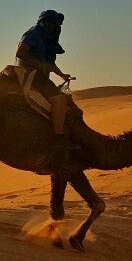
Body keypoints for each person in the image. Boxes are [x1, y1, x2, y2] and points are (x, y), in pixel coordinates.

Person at [15, 9, 76, 162]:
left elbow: (49, 64)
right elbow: (20, 52)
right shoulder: (34, 34)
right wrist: (38, 65)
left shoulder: (46, 38)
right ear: (42, 21)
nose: (51, 26)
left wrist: (62, 75)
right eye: (48, 22)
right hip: (32, 77)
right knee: (59, 101)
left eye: (54, 24)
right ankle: (58, 137)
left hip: (40, 76)